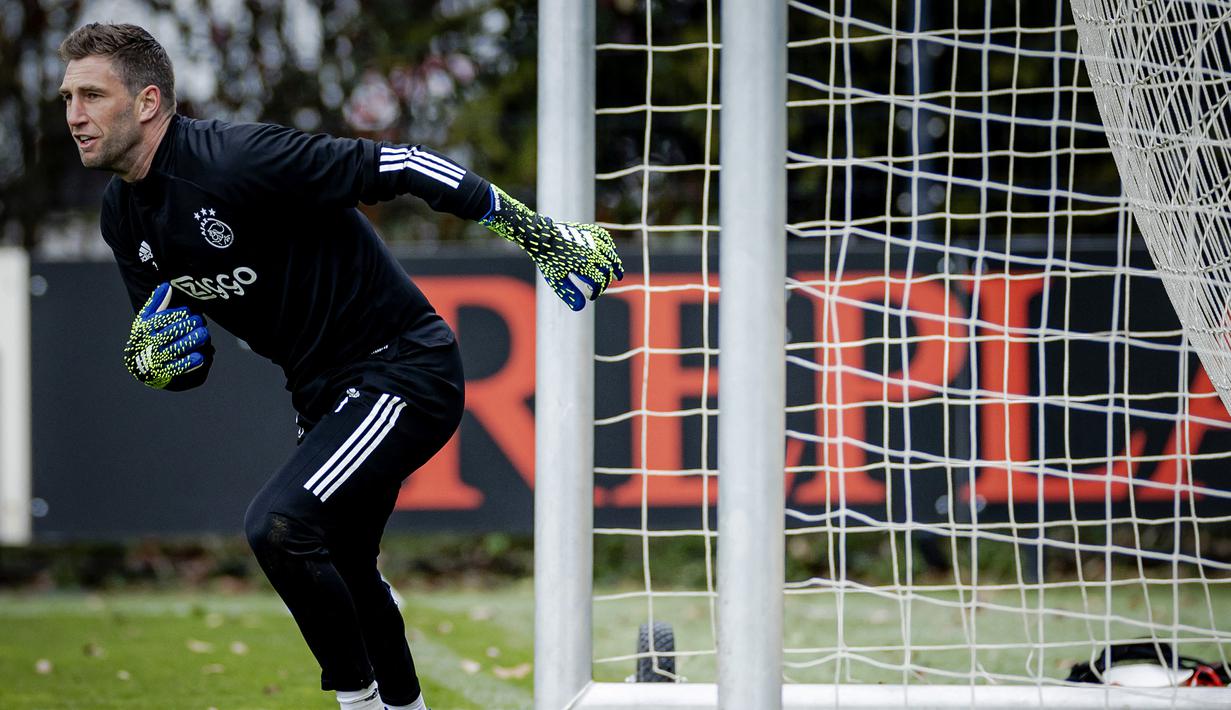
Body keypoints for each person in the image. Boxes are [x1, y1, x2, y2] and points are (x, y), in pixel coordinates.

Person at [58, 22, 622, 710]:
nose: (75, 116)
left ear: (148, 102)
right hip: (322, 393)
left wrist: (533, 234)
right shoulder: (123, 216)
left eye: (92, 95)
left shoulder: (238, 158)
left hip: (403, 369)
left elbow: (408, 164)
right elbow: (179, 349)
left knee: (282, 527)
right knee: (347, 564)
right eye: (66, 98)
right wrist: (163, 364)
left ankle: (356, 702)